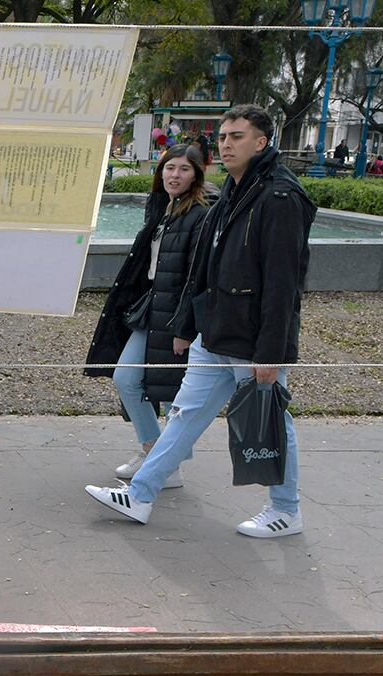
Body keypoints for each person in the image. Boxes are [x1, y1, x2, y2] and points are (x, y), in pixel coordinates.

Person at [86, 105, 316, 538]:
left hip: (252, 340)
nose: (227, 144)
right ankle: (141, 493)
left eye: (237, 136)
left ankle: (286, 509)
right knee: (184, 415)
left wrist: (270, 352)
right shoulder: (234, 189)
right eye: (224, 136)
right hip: (216, 332)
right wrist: (192, 326)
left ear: (262, 142)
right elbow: (209, 267)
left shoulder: (280, 196)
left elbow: (285, 283)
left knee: (270, 420)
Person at [85, 144, 212, 487]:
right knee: (127, 378)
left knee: (173, 390)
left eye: (184, 169)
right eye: (170, 168)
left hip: (176, 317)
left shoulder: (199, 216)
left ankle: (165, 465)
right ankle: (154, 451)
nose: (175, 175)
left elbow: (198, 276)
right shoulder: (162, 209)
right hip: (150, 308)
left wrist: (186, 325)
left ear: (196, 175)